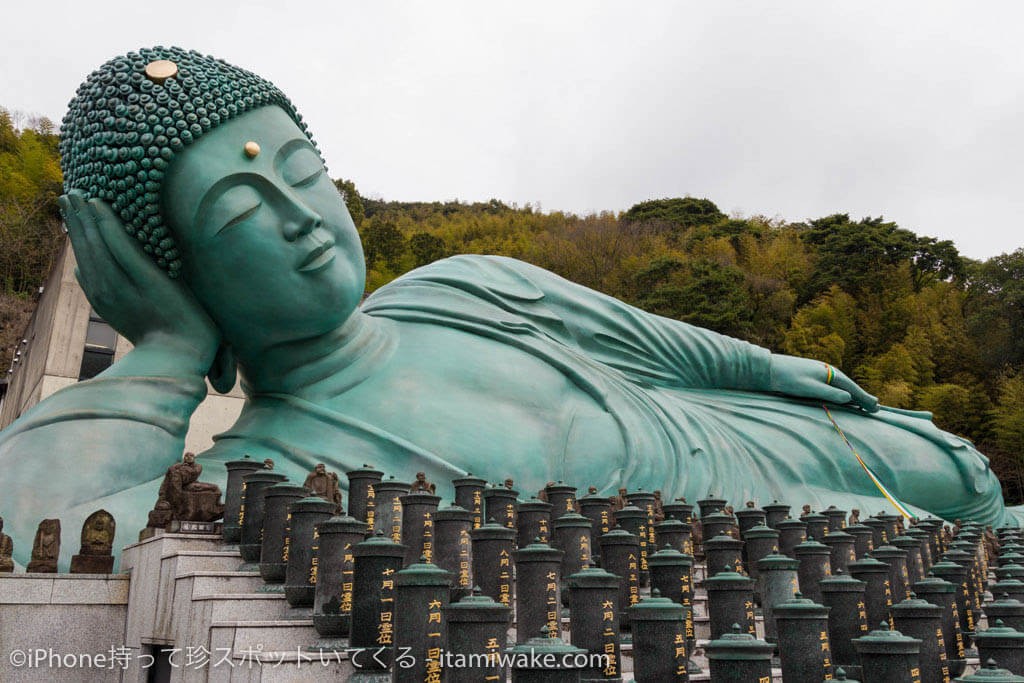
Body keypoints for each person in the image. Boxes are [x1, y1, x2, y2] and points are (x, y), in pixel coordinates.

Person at [0, 46, 1019, 567]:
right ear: (179, 276)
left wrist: (769, 368)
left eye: (305, 173)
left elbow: (659, 345)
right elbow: (42, 534)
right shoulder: (263, 470)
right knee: (937, 548)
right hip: (731, 548)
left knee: (960, 471)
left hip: (735, 428)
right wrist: (163, 355)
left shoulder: (464, 286)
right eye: (238, 212)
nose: (301, 216)